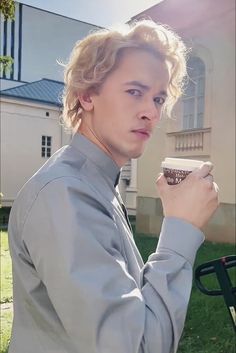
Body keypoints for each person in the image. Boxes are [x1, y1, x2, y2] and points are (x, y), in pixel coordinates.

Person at [8, 20, 219, 353]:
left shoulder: (95, 182)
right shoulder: (65, 192)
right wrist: (181, 229)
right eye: (135, 92)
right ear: (86, 95)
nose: (151, 111)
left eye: (159, 99)